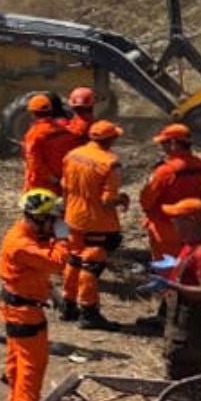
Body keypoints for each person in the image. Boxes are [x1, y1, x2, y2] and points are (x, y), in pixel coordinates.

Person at [0, 190, 71, 401]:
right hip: (24, 312)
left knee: (17, 360)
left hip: (18, 305)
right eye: (53, 220)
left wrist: (51, 292)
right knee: (32, 367)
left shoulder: (26, 236)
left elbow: (33, 272)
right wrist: (62, 237)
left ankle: (16, 400)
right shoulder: (22, 245)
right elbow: (58, 262)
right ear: (40, 219)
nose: (56, 223)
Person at [60, 119, 129, 330]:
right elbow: (107, 200)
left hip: (73, 217)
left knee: (73, 259)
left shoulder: (72, 154)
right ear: (111, 139)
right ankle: (89, 313)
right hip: (97, 222)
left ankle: (67, 305)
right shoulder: (110, 163)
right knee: (91, 265)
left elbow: (64, 186)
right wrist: (123, 199)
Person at [146, 198, 201, 380]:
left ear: (191, 221)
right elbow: (187, 268)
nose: (173, 222)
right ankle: (175, 400)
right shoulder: (190, 244)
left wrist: (169, 285)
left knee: (185, 365)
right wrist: (169, 267)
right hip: (180, 314)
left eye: (177, 218)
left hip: (194, 317)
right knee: (173, 358)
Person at [140, 123, 201, 263]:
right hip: (194, 225)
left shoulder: (165, 171)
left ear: (173, 143)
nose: (162, 147)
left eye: (164, 143)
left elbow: (146, 199)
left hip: (165, 225)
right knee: (188, 265)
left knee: (167, 268)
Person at [20, 94, 81, 195]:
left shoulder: (34, 134)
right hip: (62, 181)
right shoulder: (64, 130)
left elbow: (34, 161)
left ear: (32, 113)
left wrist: (50, 177)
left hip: (41, 184)